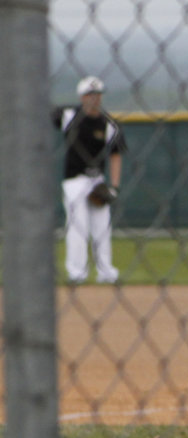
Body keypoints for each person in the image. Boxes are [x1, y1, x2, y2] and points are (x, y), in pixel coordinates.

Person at [52, 76, 126, 284]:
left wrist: (115, 186)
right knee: (78, 226)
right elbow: (45, 115)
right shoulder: (69, 115)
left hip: (97, 181)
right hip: (74, 180)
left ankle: (106, 272)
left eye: (98, 94)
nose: (95, 98)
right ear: (82, 97)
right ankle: (77, 273)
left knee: (102, 227)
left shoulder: (108, 123)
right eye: (90, 94)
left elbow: (116, 154)